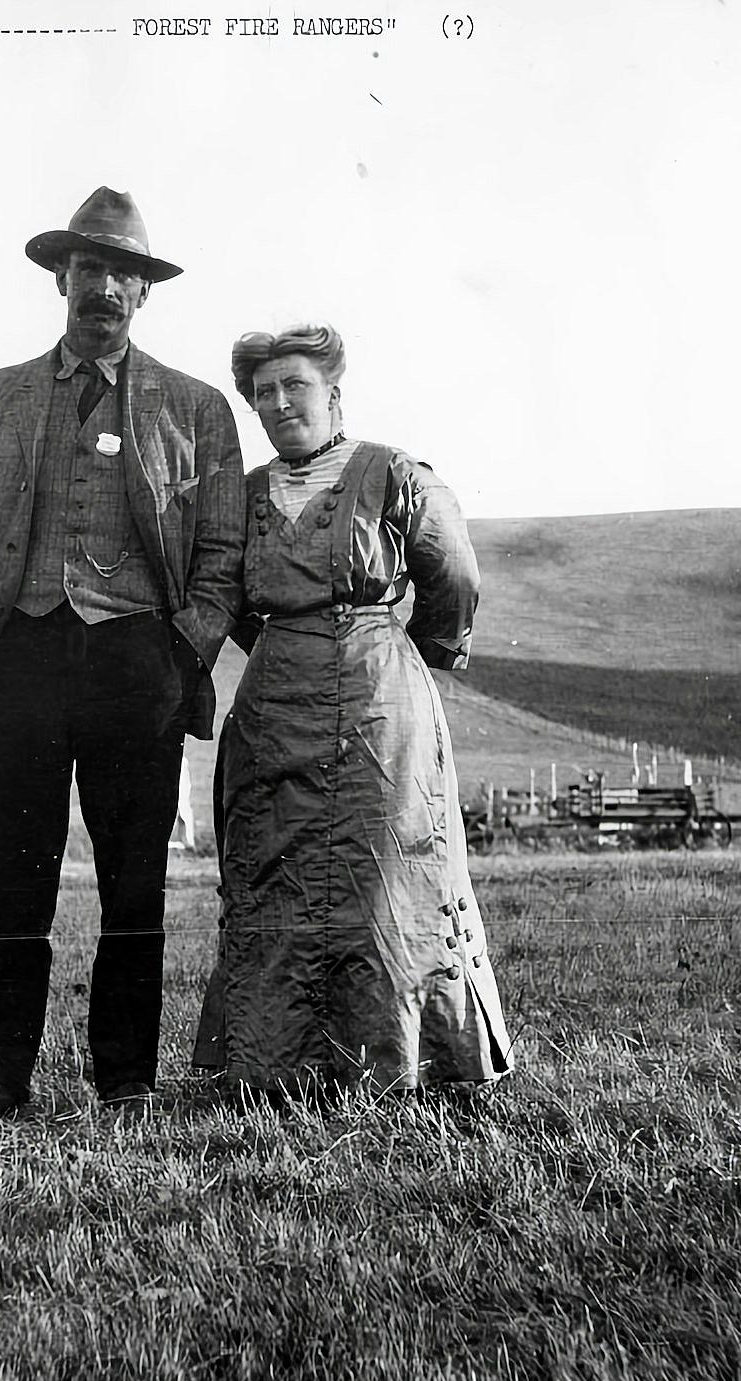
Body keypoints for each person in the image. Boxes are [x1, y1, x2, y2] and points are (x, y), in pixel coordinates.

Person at [0, 187, 245, 1123]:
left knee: (133, 880)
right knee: (11, 877)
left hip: (138, 665)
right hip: (19, 658)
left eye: (126, 274)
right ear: (61, 276)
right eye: (91, 268)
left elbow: (221, 556)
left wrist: (180, 653)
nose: (106, 287)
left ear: (145, 293)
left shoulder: (198, 409)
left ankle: (127, 1081)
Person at [193, 324, 514, 1100]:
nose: (277, 403)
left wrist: (398, 650)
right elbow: (228, 597)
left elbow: (454, 577)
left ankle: (404, 1060)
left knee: (387, 876)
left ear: (333, 393)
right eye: (263, 393)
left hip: (380, 709)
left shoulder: (393, 472)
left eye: (293, 386)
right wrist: (289, 642)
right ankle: (278, 1064)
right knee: (277, 872)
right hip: (274, 710)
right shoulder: (243, 496)